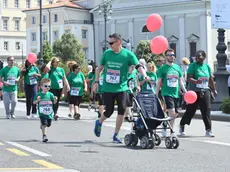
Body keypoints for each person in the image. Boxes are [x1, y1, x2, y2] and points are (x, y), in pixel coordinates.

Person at [93, 33, 149, 143]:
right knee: (108, 111)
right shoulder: (107, 54)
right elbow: (99, 68)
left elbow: (138, 67)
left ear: (118, 42)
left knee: (122, 111)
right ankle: (99, 122)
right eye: (109, 43)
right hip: (108, 88)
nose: (109, 45)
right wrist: (96, 81)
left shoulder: (128, 55)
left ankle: (115, 135)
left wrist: (145, 75)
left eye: (111, 43)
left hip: (122, 87)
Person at [179, 50, 217, 137]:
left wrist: (214, 90)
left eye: (199, 57)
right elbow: (189, 78)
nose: (197, 58)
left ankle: (208, 129)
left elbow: (210, 79)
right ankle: (182, 124)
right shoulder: (193, 66)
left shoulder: (207, 66)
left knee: (206, 109)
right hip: (194, 92)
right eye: (196, 57)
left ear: (204, 57)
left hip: (205, 90)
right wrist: (196, 81)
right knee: (191, 111)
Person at [156, 49, 187, 136]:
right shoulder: (162, 69)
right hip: (166, 93)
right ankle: (172, 132)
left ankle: (165, 124)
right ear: (166, 57)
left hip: (176, 93)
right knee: (172, 112)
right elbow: (158, 82)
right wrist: (156, 94)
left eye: (173, 55)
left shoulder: (177, 67)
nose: (172, 56)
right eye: (169, 55)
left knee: (175, 114)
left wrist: (185, 91)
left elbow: (181, 81)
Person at [33, 78, 57, 142]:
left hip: (49, 113)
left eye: (49, 86)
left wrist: (55, 99)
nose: (47, 87)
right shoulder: (38, 95)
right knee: (44, 124)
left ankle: (42, 125)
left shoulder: (50, 95)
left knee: (48, 124)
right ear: (41, 87)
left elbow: (54, 102)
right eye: (46, 86)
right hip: (42, 113)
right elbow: (34, 102)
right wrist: (37, 100)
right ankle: (44, 136)